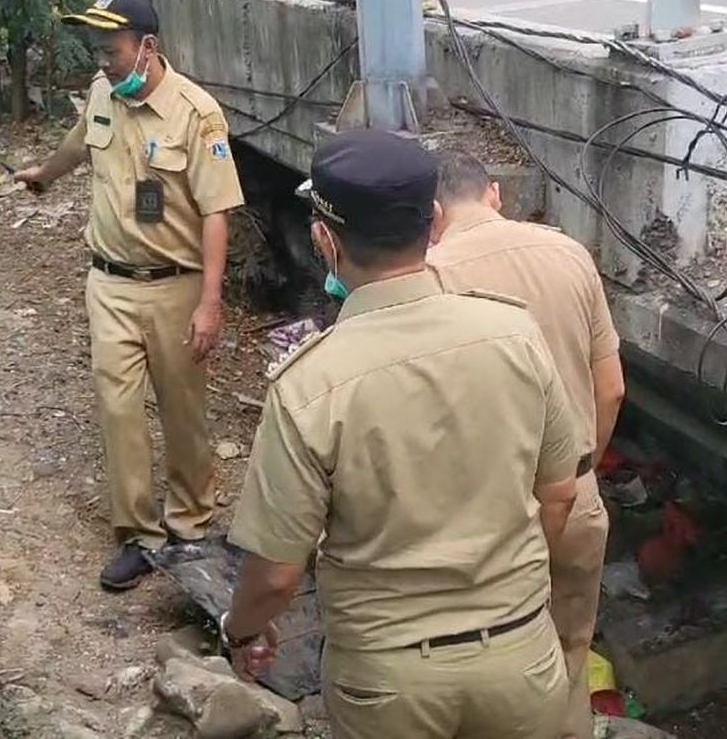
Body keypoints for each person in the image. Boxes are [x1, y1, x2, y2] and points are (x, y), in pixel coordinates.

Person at [222, 129, 583, 739]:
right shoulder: (516, 335)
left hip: (388, 682)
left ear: (324, 241)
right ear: (435, 222)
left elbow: (278, 573)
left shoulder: (311, 385)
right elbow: (561, 493)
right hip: (521, 660)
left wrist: (242, 630)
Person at [15, 0, 245, 590]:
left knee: (183, 410)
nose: (102, 61)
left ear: (148, 47)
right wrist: (44, 173)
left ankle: (190, 523)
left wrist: (210, 302)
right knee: (119, 410)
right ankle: (139, 536)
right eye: (95, 49)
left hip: (175, 286)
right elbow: (78, 141)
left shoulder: (196, 114)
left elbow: (218, 211)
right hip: (109, 282)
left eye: (111, 50)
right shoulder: (101, 95)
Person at [428, 151, 627, 739]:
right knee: (570, 647)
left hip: (488, 512)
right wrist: (582, 466)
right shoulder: (570, 253)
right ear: (494, 194)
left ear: (432, 212)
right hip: (578, 492)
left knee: (489, 661)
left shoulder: (432, 275)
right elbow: (611, 389)